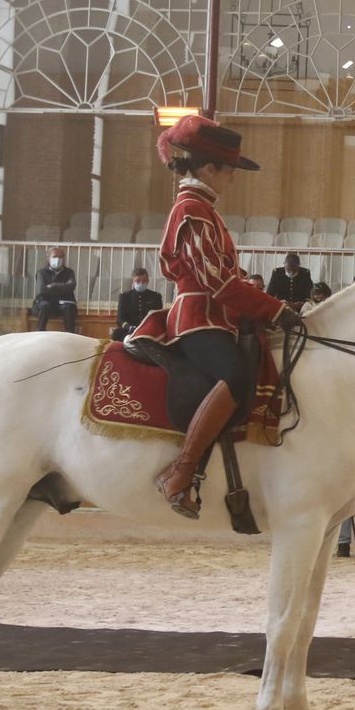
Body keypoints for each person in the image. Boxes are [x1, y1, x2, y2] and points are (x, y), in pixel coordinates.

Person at [127, 115, 301, 519]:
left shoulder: (202, 208)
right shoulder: (192, 211)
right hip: (198, 318)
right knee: (236, 376)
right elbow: (218, 283)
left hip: (216, 317)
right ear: (209, 168)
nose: (233, 179)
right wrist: (274, 308)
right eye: (230, 171)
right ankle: (180, 472)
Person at [32, 246, 79, 332]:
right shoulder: (41, 273)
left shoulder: (69, 272)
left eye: (60, 257)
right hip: (46, 303)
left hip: (64, 305)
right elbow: (42, 290)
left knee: (69, 308)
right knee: (44, 306)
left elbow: (71, 286)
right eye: (54, 257)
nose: (57, 259)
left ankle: (70, 335)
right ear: (48, 258)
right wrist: (63, 287)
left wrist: (53, 286)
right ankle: (39, 333)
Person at [112, 267, 164, 341]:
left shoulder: (155, 297)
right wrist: (129, 327)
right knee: (116, 333)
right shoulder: (125, 297)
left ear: (148, 281)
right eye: (138, 281)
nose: (141, 283)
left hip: (149, 331)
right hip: (130, 330)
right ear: (132, 282)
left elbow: (158, 318)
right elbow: (120, 319)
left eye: (144, 281)